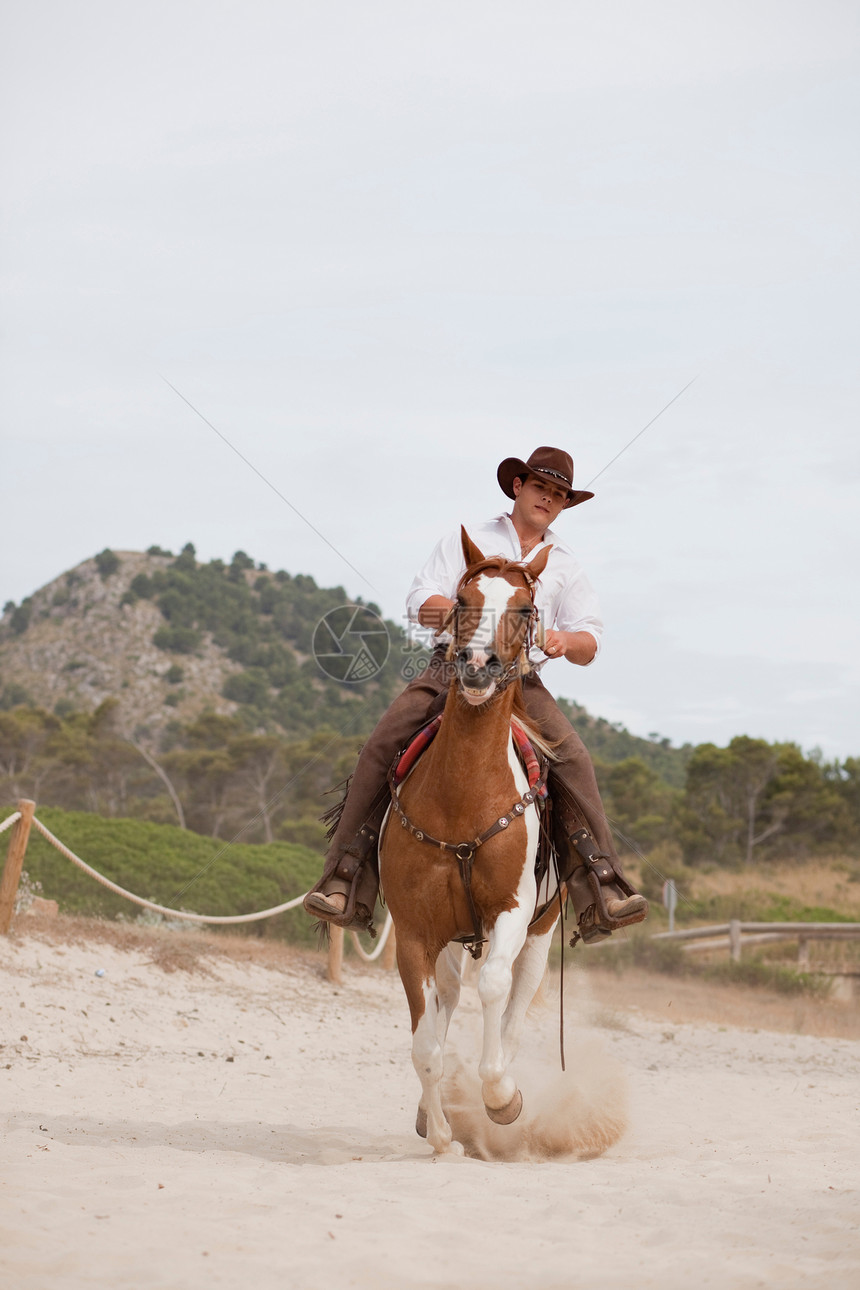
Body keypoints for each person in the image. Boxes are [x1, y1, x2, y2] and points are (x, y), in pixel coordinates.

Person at [303, 446, 648, 945]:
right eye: (539, 488)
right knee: (383, 744)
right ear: (517, 487)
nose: (547, 499)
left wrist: (562, 641)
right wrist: (470, 623)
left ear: (564, 505)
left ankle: (603, 887)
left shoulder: (567, 565)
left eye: (558, 494)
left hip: (522, 681)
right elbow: (421, 599)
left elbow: (590, 641)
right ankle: (345, 877)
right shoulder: (471, 538)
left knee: (574, 757)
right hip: (450, 669)